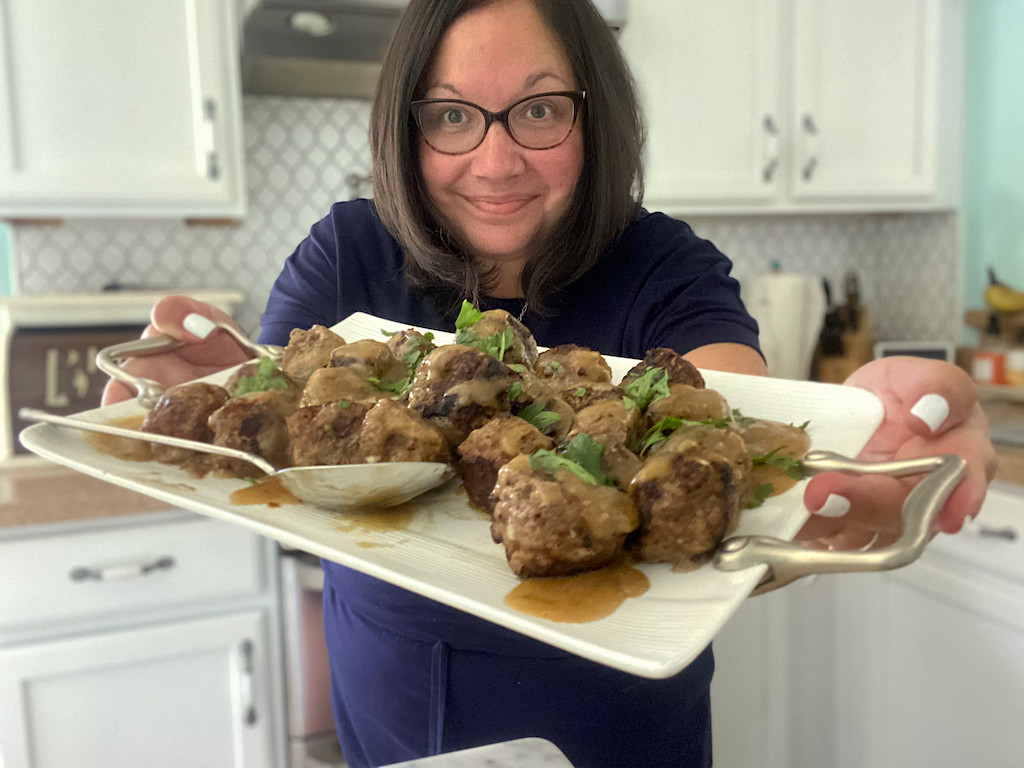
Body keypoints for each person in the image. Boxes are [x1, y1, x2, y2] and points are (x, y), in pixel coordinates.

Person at [103, 0, 997, 765]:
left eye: (538, 111)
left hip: (616, 728)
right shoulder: (346, 255)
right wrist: (214, 414)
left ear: (594, 116)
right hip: (394, 710)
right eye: (451, 116)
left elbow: (735, 441)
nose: (495, 162)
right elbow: (283, 476)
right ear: (406, 125)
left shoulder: (668, 269)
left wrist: (832, 475)